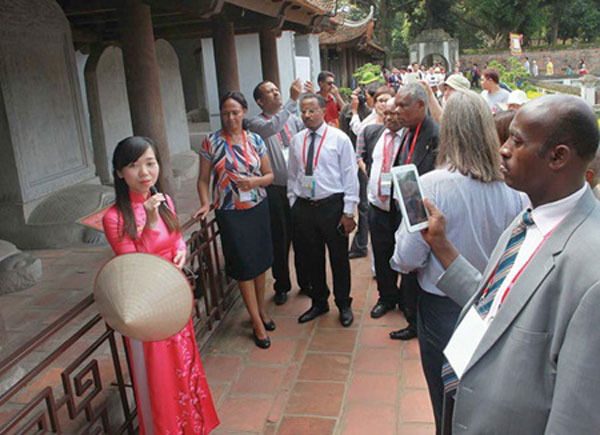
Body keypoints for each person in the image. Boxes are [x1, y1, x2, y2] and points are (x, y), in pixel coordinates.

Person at [422, 94, 600, 433]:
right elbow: (499, 307)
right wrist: (442, 246)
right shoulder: (528, 219)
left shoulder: (592, 272)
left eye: (516, 141)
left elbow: (577, 417)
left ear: (558, 157)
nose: (502, 149)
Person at [390, 91, 526, 433]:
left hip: (442, 307)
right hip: (499, 307)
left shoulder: (430, 185)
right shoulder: (516, 188)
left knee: (445, 401)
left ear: (448, 131)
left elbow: (407, 258)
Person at [103, 136, 219, 434]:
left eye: (150, 163)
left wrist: (180, 249)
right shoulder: (114, 217)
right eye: (133, 165)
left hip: (174, 297)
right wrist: (151, 222)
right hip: (146, 309)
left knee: (183, 362)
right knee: (158, 374)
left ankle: (191, 424)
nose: (144, 172)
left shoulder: (165, 200)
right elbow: (134, 266)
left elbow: (176, 234)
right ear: (119, 173)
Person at [195, 92, 275, 349]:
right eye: (226, 113)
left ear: (244, 112)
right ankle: (256, 322)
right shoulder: (211, 142)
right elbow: (203, 180)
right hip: (229, 212)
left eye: (235, 112)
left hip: (257, 207)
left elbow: (269, 175)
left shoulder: (255, 140)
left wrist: (254, 182)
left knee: (260, 263)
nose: (230, 117)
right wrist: (206, 202)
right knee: (243, 265)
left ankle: (261, 309)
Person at [288, 94, 359, 327]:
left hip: (332, 206)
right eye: (303, 111)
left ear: (322, 111)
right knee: (312, 257)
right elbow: (293, 174)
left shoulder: (339, 139)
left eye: (312, 110)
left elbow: (350, 175)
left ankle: (343, 303)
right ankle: (319, 301)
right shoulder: (298, 140)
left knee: (339, 258)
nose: (307, 115)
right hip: (305, 207)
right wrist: (293, 202)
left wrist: (348, 211)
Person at [247, 79, 312, 306]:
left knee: (302, 237)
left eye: (277, 90)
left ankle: (306, 282)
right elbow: (272, 127)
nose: (276, 94)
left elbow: (306, 132)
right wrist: (294, 100)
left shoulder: (291, 119)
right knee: (280, 239)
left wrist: (310, 105)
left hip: (297, 188)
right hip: (275, 190)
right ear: (260, 101)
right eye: (270, 92)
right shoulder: (256, 123)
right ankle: (282, 285)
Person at [388, 82, 440, 339]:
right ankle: (410, 316)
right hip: (402, 210)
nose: (396, 111)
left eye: (402, 105)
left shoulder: (435, 135)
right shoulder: (407, 131)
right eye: (396, 105)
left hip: (425, 216)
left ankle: (418, 323)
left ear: (421, 105)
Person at [357, 99, 404, 318]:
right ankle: (386, 298)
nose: (389, 118)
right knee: (382, 254)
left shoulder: (410, 138)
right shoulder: (373, 133)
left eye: (394, 113)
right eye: (385, 113)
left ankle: (406, 300)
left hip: (401, 209)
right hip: (377, 206)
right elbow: (366, 160)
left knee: (405, 255)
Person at [349, 86, 395, 260]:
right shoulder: (368, 127)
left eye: (386, 100)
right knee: (366, 208)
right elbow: (359, 154)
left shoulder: (402, 127)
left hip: (392, 180)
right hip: (370, 176)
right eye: (380, 100)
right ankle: (364, 246)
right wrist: (367, 171)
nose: (383, 104)